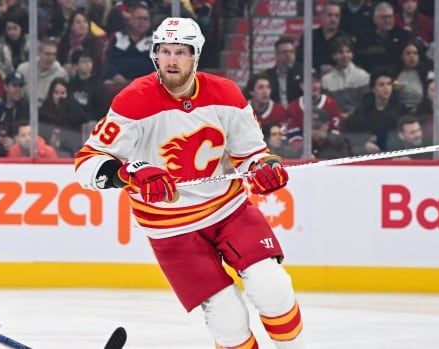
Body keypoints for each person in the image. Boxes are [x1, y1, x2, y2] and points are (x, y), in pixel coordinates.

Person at [74, 17, 306, 349]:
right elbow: (86, 163)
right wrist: (128, 173)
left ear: (195, 56)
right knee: (227, 319)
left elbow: (252, 154)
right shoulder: (133, 101)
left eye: (180, 52)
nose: (171, 60)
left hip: (229, 211)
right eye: (165, 51)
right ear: (155, 55)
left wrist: (265, 167)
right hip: (170, 228)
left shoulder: (225, 93)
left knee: (272, 287)